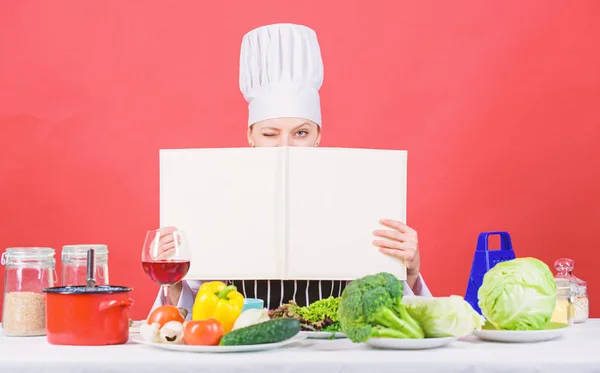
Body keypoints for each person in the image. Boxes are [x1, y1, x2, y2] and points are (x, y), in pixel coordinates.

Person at [150, 23, 431, 319]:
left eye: (300, 133)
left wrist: (408, 271)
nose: (285, 146)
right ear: (251, 136)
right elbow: (190, 310)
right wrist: (174, 275)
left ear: (318, 136)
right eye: (270, 134)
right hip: (242, 347)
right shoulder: (217, 191)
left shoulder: (354, 189)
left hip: (331, 347)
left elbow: (389, 309)